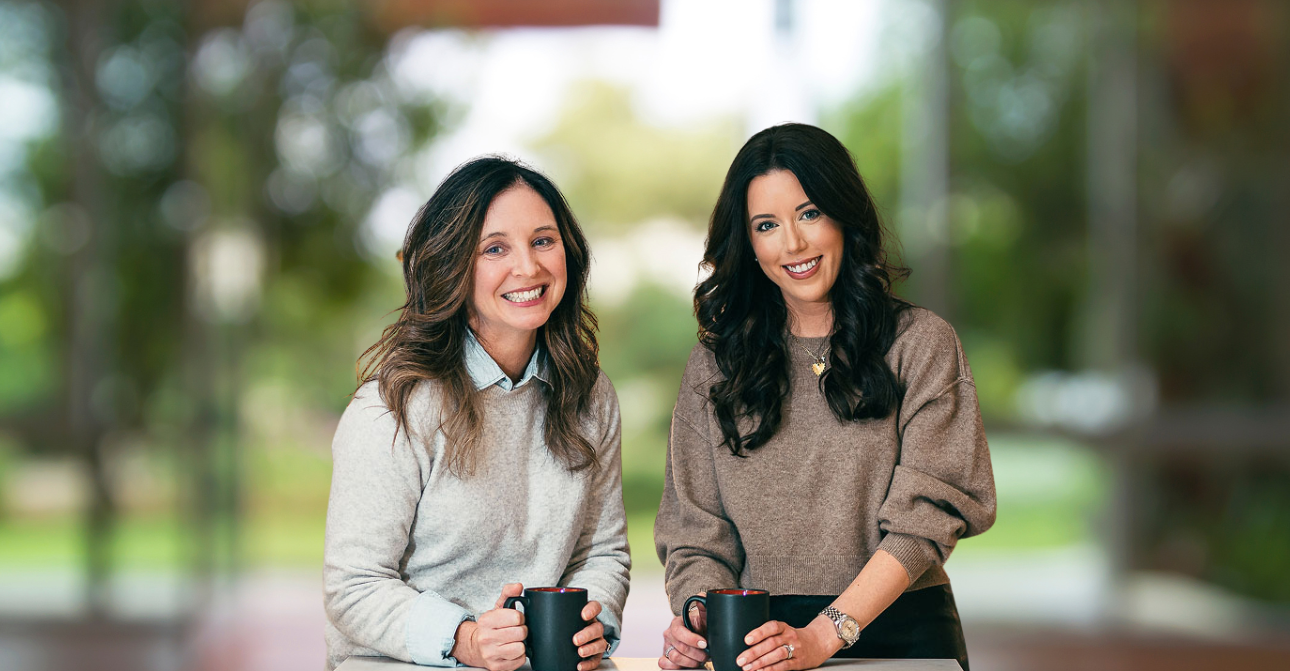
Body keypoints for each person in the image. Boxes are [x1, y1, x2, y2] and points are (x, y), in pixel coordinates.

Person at [654, 123, 996, 671]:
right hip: (759, 645)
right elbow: (695, 534)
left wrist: (824, 634)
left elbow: (927, 519)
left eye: (809, 213)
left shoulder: (922, 343)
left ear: (844, 215)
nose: (793, 244)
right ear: (748, 242)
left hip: (901, 634)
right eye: (767, 225)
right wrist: (699, 618)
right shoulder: (713, 367)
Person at [324, 157, 630, 671]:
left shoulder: (589, 395)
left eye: (543, 241)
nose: (528, 268)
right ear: (453, 266)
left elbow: (603, 554)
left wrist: (591, 624)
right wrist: (463, 639)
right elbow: (353, 586)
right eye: (495, 249)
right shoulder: (392, 406)